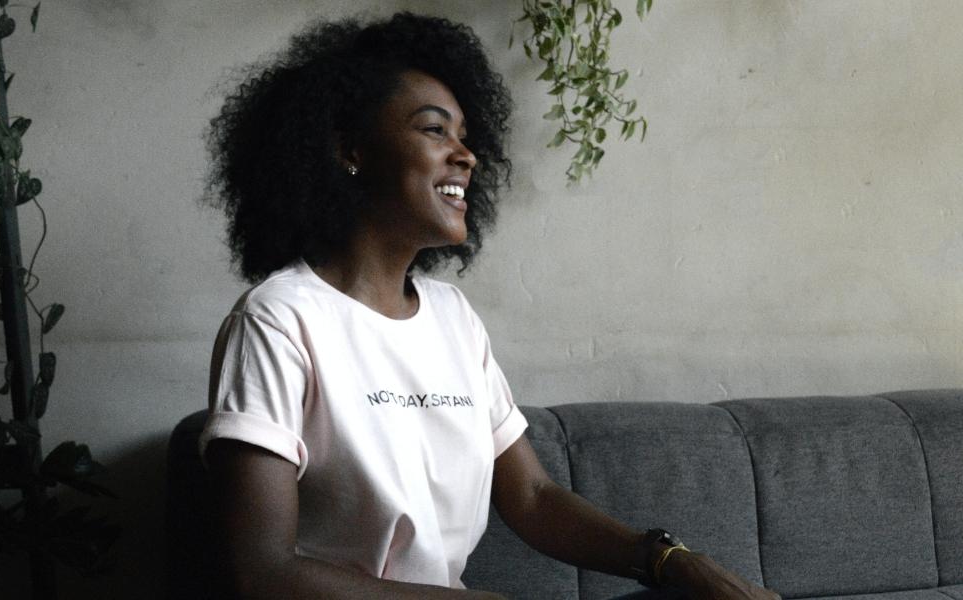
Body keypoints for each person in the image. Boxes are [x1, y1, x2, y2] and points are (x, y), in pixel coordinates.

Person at [200, 11, 783, 600]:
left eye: (465, 137)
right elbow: (261, 573)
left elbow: (532, 499)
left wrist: (666, 560)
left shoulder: (451, 316)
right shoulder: (278, 321)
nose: (466, 156)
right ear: (351, 149)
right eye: (434, 131)